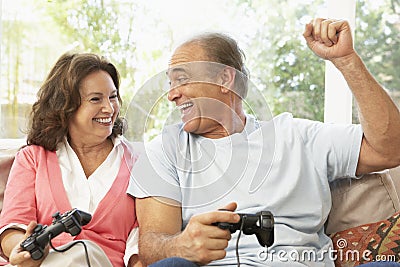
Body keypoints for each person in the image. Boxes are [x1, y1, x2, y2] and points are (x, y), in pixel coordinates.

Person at [128, 18, 400, 266]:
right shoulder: (163, 150)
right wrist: (181, 245)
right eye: (170, 83)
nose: (172, 95)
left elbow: (390, 150)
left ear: (225, 79)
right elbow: (152, 246)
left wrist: (347, 60)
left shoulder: (296, 136)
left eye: (182, 79)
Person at [0, 52, 143, 267]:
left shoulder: (139, 163)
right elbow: (13, 227)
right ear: (65, 106)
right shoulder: (32, 158)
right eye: (96, 99)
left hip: (103, 263)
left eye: (113, 97)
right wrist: (25, 250)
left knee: (83, 252)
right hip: (44, 264)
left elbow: (140, 241)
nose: (109, 108)